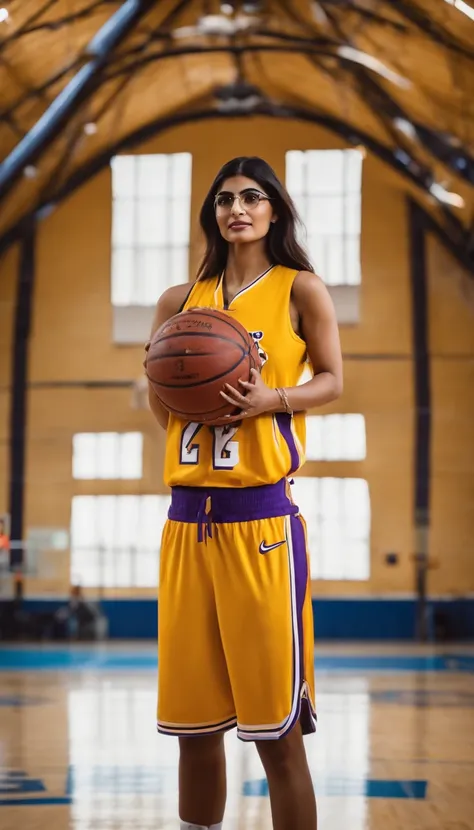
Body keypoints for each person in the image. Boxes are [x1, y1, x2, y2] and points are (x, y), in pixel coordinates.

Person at [146, 156, 343, 830]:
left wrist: (269, 400)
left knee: (274, 734)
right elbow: (160, 398)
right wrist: (190, 399)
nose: (238, 208)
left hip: (260, 527)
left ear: (275, 211)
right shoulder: (179, 301)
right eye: (225, 198)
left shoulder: (301, 289)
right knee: (192, 731)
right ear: (213, 214)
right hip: (183, 528)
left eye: (252, 197)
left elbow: (333, 381)